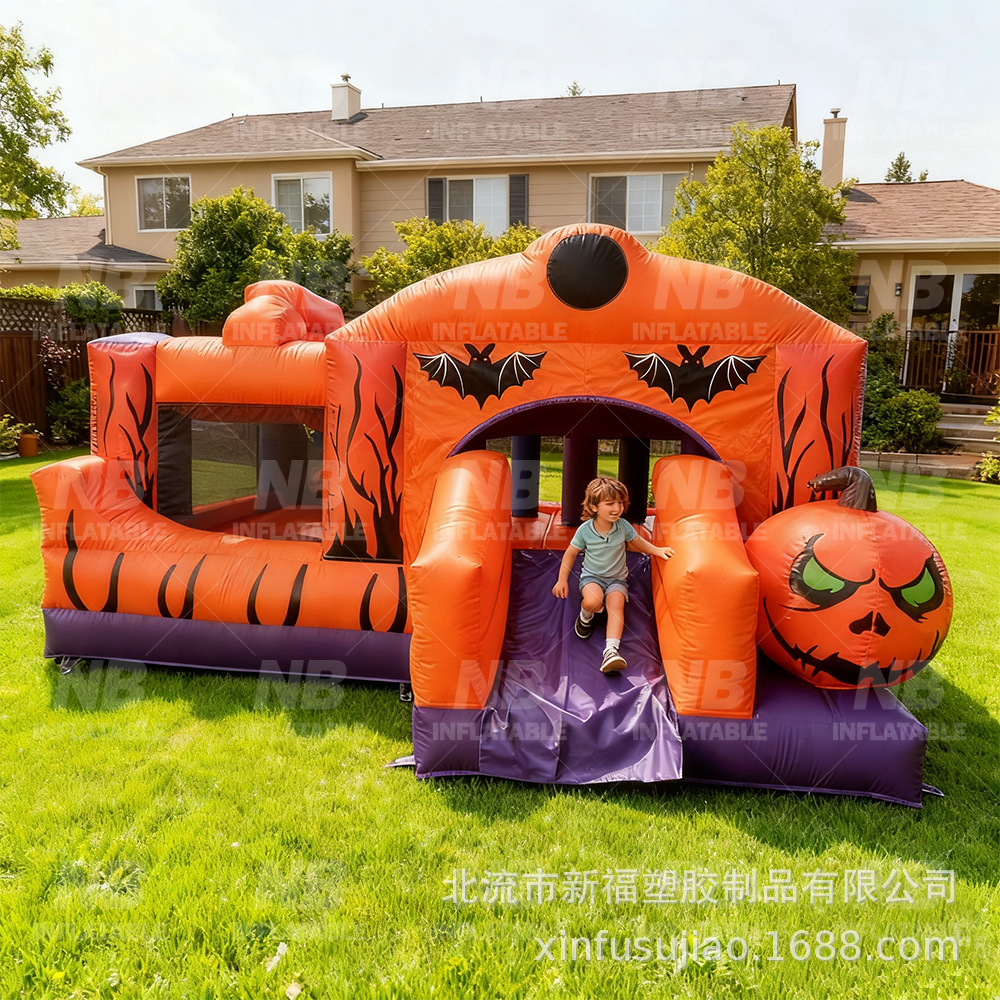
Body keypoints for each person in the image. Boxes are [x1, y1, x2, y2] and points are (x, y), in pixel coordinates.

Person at [552, 475, 674, 674]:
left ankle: (611, 651)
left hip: (617, 579)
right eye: (610, 503)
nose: (617, 508)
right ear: (594, 507)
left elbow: (637, 542)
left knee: (616, 604)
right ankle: (585, 616)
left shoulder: (623, 526)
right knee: (593, 601)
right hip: (592, 577)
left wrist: (656, 550)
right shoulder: (585, 531)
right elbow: (570, 553)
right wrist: (562, 580)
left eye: (620, 502)